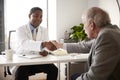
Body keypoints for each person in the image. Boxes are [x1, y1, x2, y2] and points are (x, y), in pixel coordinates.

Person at [52, 7, 120, 80]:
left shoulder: (106, 36)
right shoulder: (109, 31)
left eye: (84, 24)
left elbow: (94, 77)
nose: (83, 28)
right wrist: (59, 46)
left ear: (91, 25)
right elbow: (84, 46)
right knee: (74, 76)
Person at [14, 7, 58, 80]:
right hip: (24, 60)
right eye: (36, 16)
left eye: (41, 16)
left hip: (39, 59)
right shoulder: (20, 29)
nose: (39, 19)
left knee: (54, 70)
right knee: (20, 74)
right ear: (29, 16)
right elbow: (25, 43)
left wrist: (46, 51)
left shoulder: (44, 30)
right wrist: (43, 44)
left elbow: (46, 46)